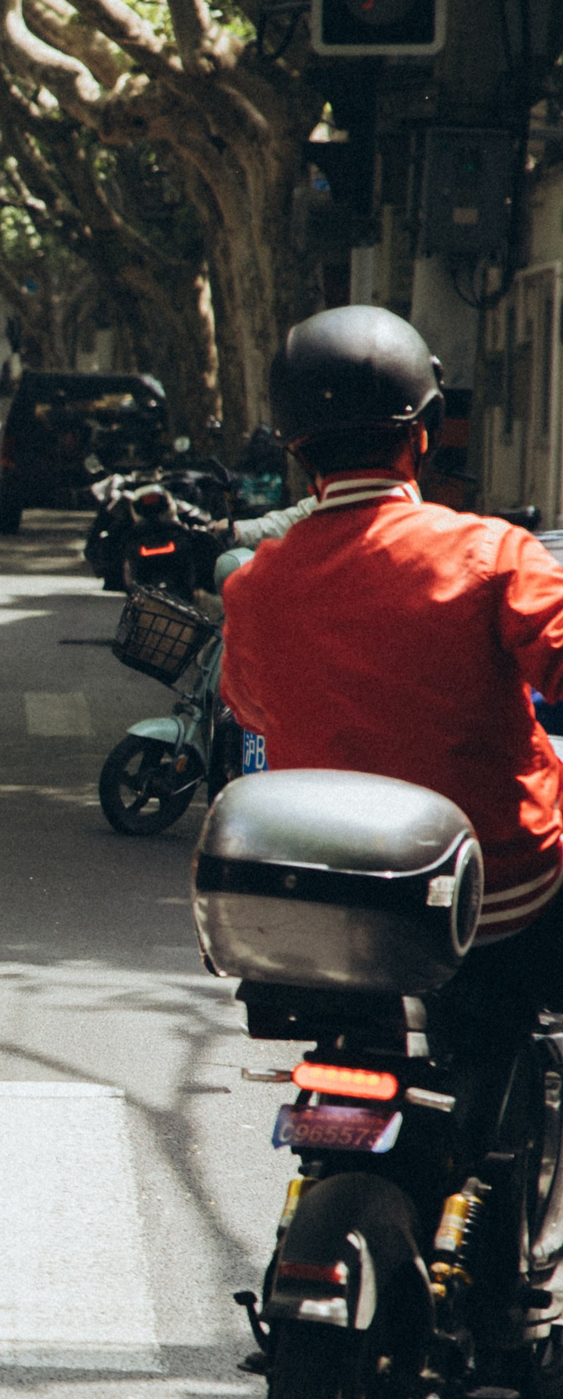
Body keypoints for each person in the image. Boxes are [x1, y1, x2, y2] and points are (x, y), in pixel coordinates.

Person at [221, 306, 563, 1055]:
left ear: (296, 447)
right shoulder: (494, 552)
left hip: (324, 902)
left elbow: (247, 706)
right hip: (492, 900)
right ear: (422, 431)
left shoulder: (255, 585)